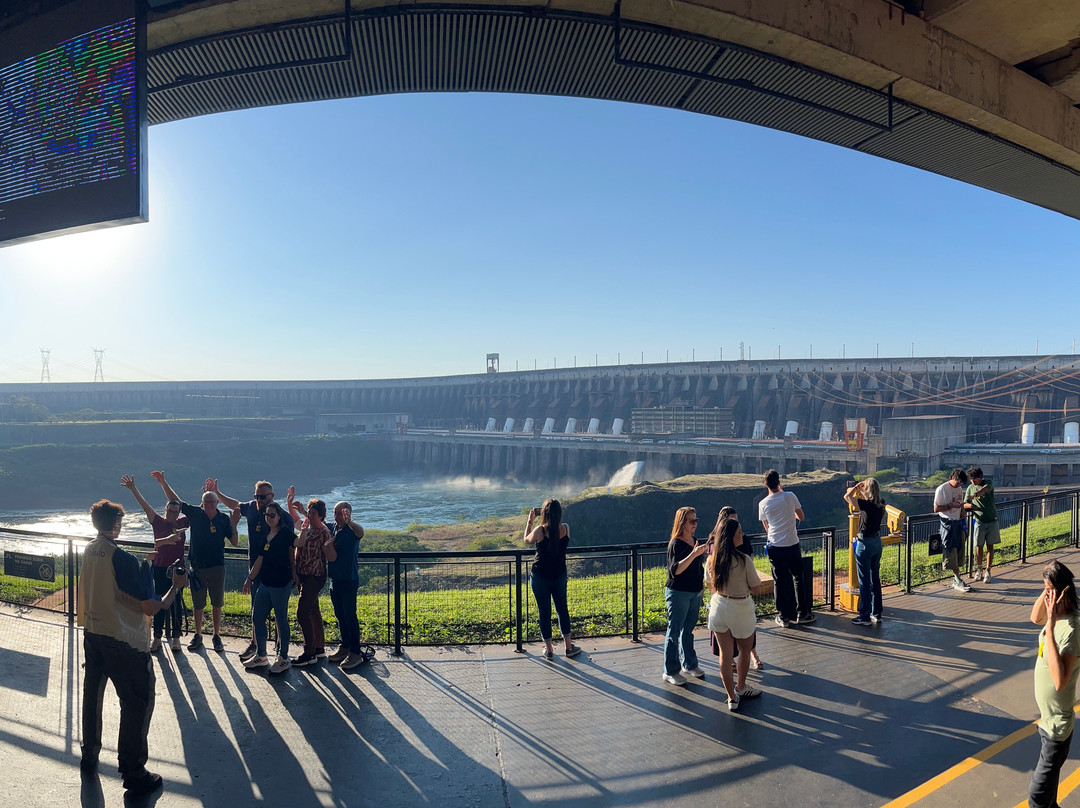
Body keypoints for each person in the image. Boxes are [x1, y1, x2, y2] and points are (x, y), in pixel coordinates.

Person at [79, 499, 187, 794]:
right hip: (123, 641)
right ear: (115, 524)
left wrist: (149, 557)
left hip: (93, 633)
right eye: (120, 522)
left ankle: (89, 754)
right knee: (137, 703)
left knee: (93, 697)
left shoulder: (90, 550)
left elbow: (113, 576)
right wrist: (175, 587)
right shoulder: (123, 560)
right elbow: (151, 607)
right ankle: (133, 771)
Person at [206, 479, 294, 661]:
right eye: (256, 496)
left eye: (263, 496)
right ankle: (257, 647)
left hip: (278, 573)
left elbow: (291, 548)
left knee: (280, 614)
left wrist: (294, 573)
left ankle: (280, 650)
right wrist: (217, 492)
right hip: (256, 569)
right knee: (257, 612)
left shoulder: (284, 518)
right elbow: (235, 505)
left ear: (272, 496)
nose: (259, 500)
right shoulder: (252, 508)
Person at [152, 471, 239, 650]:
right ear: (203, 502)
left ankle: (216, 635)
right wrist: (163, 482)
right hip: (197, 567)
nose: (208, 505)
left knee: (217, 603)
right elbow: (175, 501)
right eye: (206, 502)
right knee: (198, 604)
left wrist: (235, 525)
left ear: (217, 503)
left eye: (212, 502)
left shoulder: (223, 519)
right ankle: (198, 635)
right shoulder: (196, 514)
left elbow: (235, 543)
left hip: (217, 566)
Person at [1027, 560, 1080, 808]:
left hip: (1057, 730)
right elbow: (1034, 617)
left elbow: (1060, 682)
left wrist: (1050, 625)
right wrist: (1048, 588)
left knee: (1037, 799)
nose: (1047, 596)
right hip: (1047, 721)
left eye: (1050, 591)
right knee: (1048, 798)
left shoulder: (1070, 629)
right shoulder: (1054, 615)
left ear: (1063, 593)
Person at [120, 474, 189, 652]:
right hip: (159, 568)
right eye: (170, 511)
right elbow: (145, 505)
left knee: (176, 604)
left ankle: (176, 639)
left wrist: (164, 483)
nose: (173, 514)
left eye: (176, 511)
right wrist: (133, 488)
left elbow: (187, 505)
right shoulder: (157, 521)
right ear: (165, 511)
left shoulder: (183, 521)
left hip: (177, 570)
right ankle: (157, 638)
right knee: (158, 602)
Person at [706, 517, 765, 710]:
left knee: (725, 654)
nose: (742, 534)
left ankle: (731, 697)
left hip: (719, 607)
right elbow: (756, 587)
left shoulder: (711, 560)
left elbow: (710, 585)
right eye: (739, 531)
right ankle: (740, 686)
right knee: (745, 650)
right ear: (731, 536)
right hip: (740, 608)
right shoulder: (743, 560)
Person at [241, 501, 298, 674]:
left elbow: (298, 544)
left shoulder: (286, 533)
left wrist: (303, 523)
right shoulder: (266, 533)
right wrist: (250, 579)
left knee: (281, 620)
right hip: (265, 583)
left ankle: (283, 658)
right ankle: (262, 655)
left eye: (272, 515)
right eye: (267, 515)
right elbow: (260, 558)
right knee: (257, 617)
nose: (269, 518)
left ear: (279, 516)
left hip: (281, 583)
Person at [524, 499, 582, 660]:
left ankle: (549, 650)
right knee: (562, 609)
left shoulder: (540, 530)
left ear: (544, 513)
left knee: (544, 612)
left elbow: (526, 540)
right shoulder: (565, 528)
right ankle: (569, 647)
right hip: (559, 575)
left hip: (540, 576)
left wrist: (530, 521)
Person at [758, 469, 813, 627]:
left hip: (775, 546)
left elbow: (766, 527)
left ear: (765, 484)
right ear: (779, 482)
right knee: (798, 578)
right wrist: (790, 514)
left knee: (779, 581)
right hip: (792, 543)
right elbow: (801, 516)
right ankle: (802, 613)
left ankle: (783, 616)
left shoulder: (763, 504)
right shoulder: (790, 496)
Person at [662, 506, 707, 686]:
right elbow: (675, 570)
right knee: (674, 632)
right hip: (678, 592)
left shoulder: (694, 540)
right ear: (682, 522)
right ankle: (670, 670)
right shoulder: (676, 544)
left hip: (694, 592)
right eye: (691, 521)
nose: (695, 524)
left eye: (696, 520)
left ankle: (689, 664)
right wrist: (694, 553)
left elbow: (698, 568)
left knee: (687, 630)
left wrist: (701, 587)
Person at [291, 498, 335, 667]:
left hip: (314, 576)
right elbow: (304, 522)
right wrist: (302, 511)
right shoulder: (308, 527)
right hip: (303, 575)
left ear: (322, 515)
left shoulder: (323, 531)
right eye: (309, 512)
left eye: (314, 512)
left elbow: (327, 549)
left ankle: (309, 653)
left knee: (302, 612)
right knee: (313, 611)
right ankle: (319, 647)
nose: (310, 515)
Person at [326, 501, 367, 670]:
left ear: (347, 514)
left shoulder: (352, 530)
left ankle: (355, 653)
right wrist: (298, 510)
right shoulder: (334, 528)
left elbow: (361, 532)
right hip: (335, 580)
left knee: (350, 616)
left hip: (349, 580)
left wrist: (349, 521)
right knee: (340, 615)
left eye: (339, 514)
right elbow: (316, 523)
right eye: (334, 513)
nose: (336, 517)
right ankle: (345, 646)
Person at [844, 478, 886, 626]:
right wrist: (863, 489)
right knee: (875, 578)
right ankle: (877, 613)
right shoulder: (881, 503)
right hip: (876, 542)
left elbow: (847, 497)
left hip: (865, 543)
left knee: (864, 581)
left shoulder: (865, 505)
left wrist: (856, 487)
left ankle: (864, 616)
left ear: (866, 489)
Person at [934, 468, 970, 593]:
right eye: (958, 483)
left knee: (960, 548)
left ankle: (958, 578)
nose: (959, 486)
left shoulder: (959, 489)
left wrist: (962, 511)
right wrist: (950, 506)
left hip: (958, 522)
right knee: (950, 549)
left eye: (961, 484)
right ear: (953, 478)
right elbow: (936, 508)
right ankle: (957, 579)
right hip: (947, 523)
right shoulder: (942, 489)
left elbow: (960, 502)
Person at [964, 466, 999, 584]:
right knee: (978, 546)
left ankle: (988, 571)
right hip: (979, 521)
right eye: (971, 479)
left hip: (992, 520)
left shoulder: (989, 483)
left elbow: (985, 489)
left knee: (990, 546)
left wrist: (976, 494)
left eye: (974, 479)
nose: (972, 481)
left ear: (980, 477)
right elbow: (965, 504)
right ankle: (979, 569)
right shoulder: (969, 488)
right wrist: (972, 506)